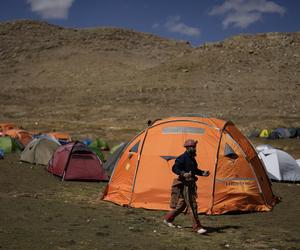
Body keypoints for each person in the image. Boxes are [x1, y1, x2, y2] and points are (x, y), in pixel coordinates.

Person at [164, 139, 210, 234]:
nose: (194, 149)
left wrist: (203, 173)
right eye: (193, 147)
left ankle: (167, 219)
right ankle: (197, 227)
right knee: (192, 205)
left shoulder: (192, 158)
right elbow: (174, 168)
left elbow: (194, 170)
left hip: (191, 184)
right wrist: (183, 173)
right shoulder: (182, 157)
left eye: (195, 147)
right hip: (185, 185)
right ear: (188, 148)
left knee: (181, 206)